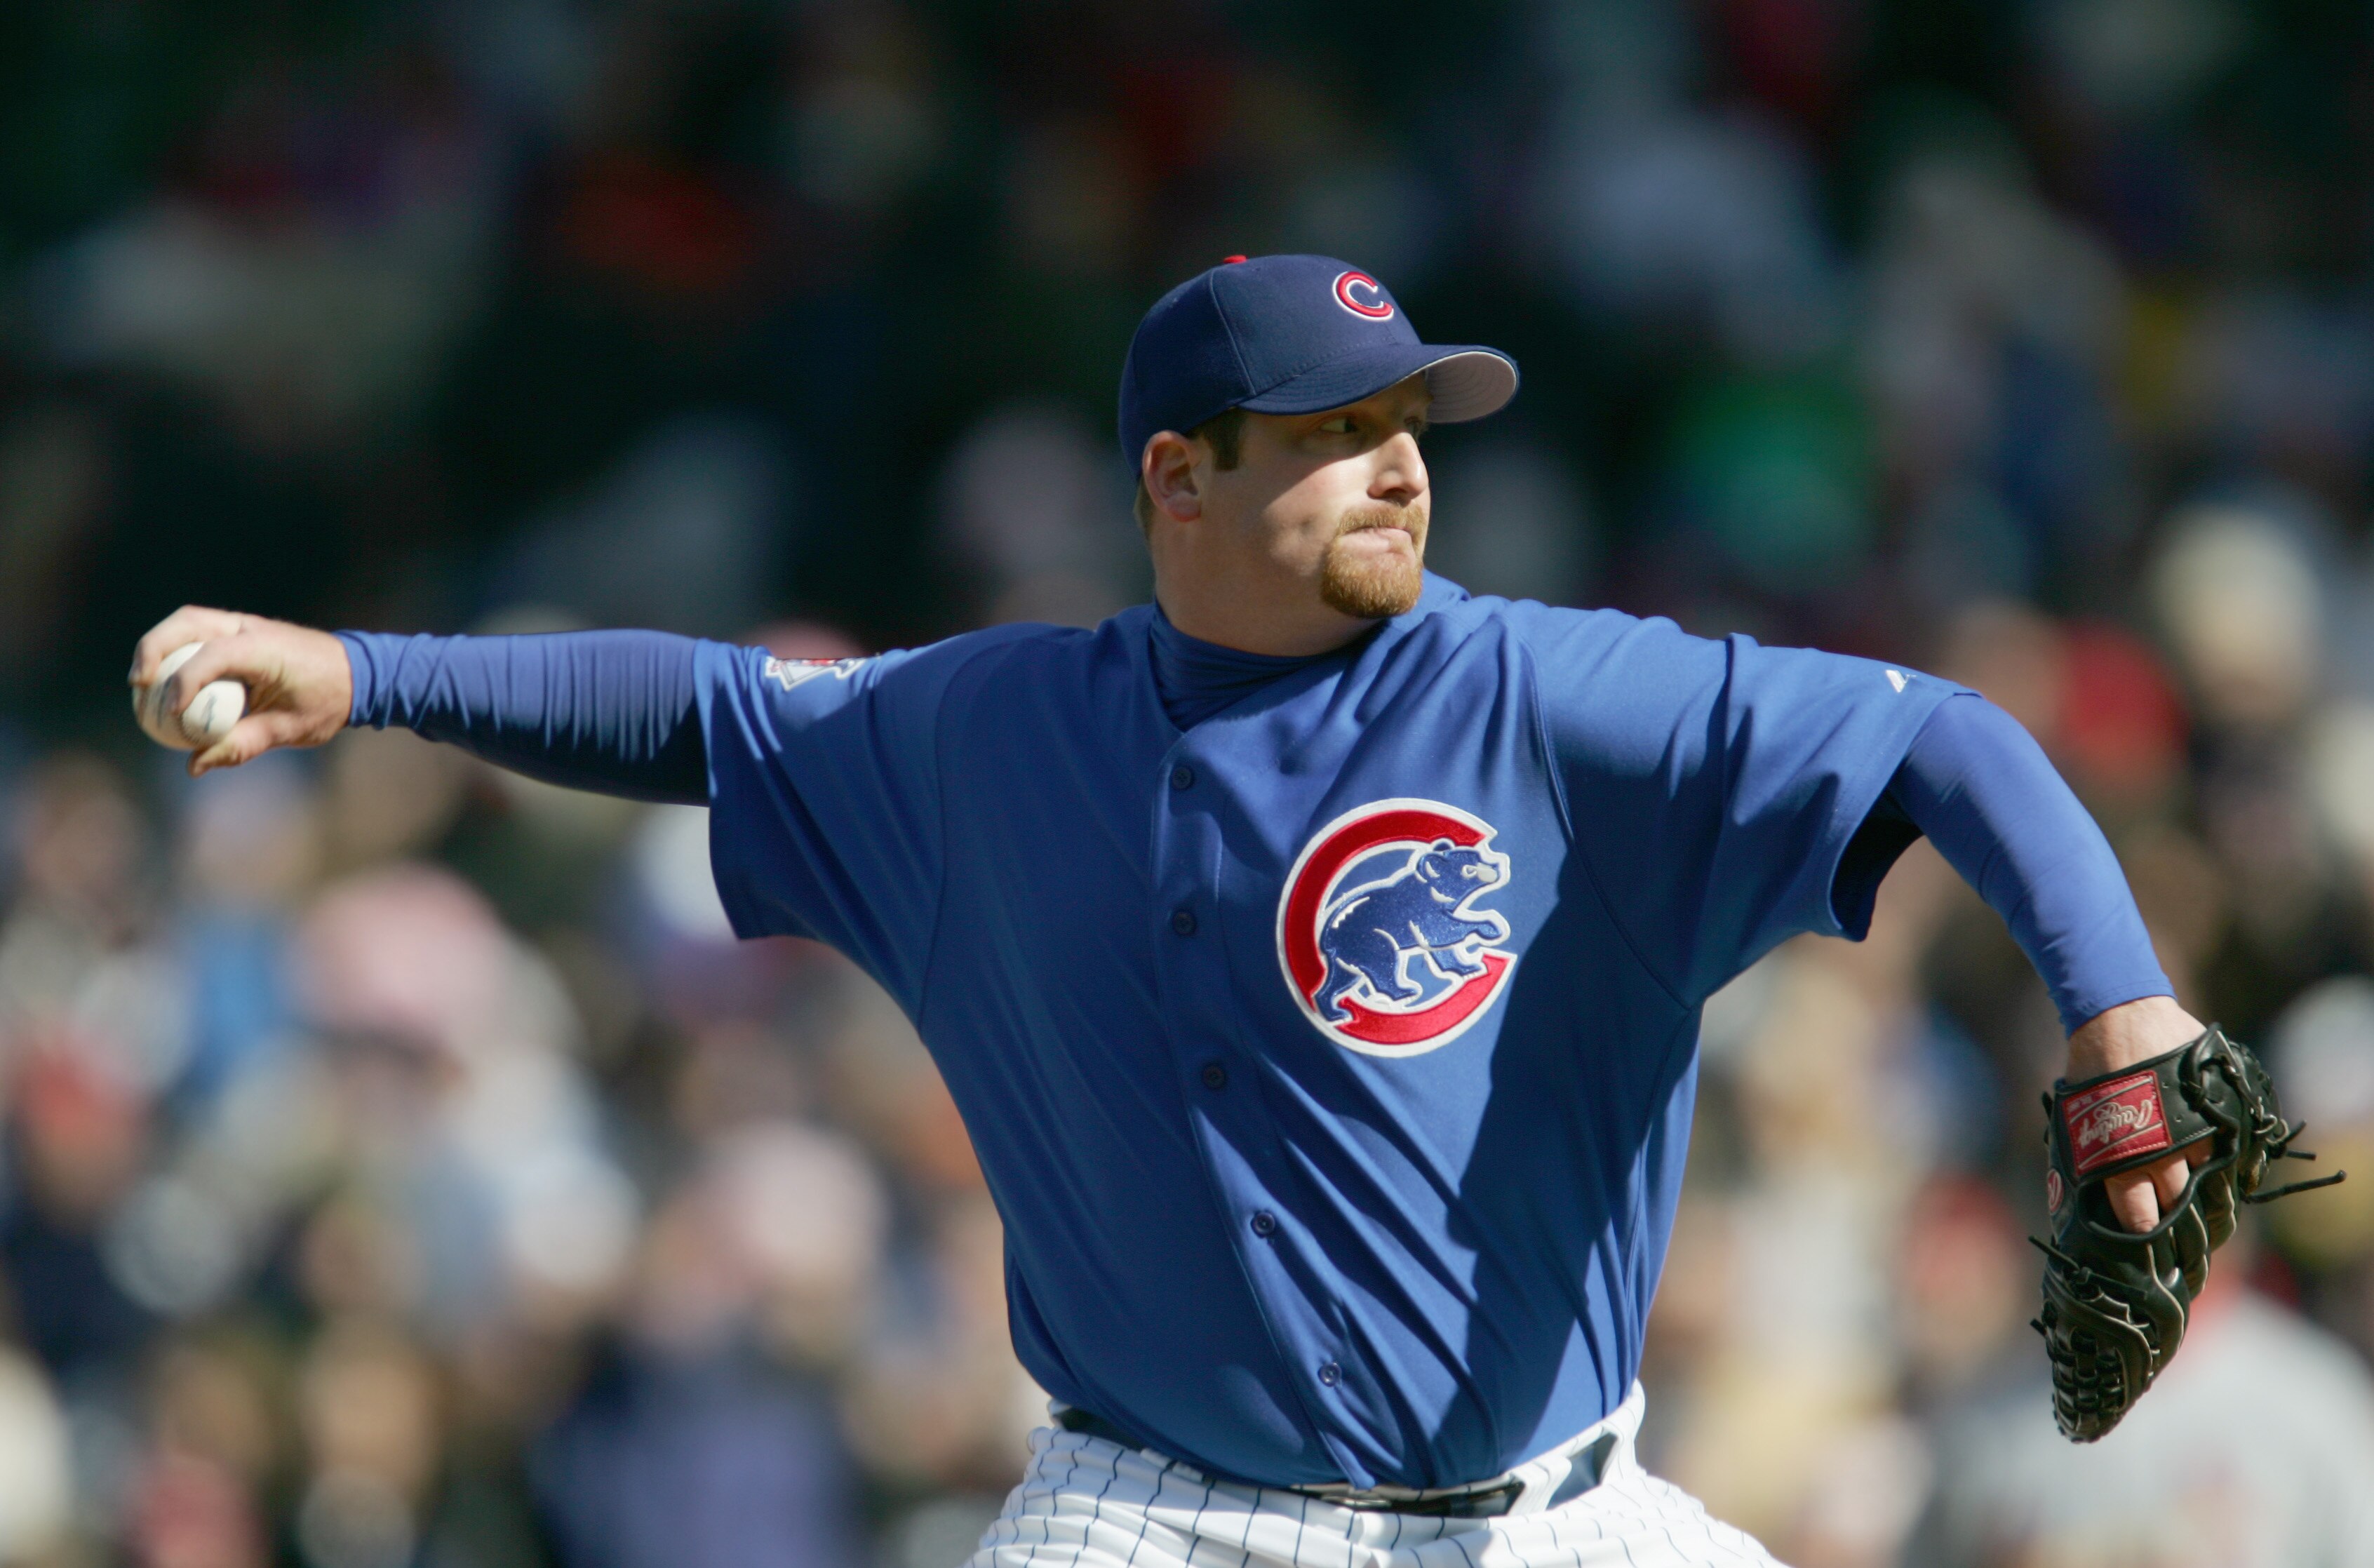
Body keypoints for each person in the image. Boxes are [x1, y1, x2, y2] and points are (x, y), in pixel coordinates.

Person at [133, 254, 2207, 1567]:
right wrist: (365, 669)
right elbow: (700, 708)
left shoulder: (1550, 695)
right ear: (1176, 482)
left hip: (1574, 1519)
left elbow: (1948, 737)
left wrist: (2115, 1003)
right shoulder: (991, 731)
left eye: (1408, 426)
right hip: (1161, 1522)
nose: (1398, 469)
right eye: (1328, 433)